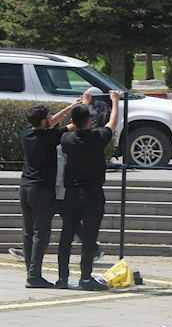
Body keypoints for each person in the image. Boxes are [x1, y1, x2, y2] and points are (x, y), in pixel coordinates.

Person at [57, 89, 121, 291]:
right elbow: (112, 122)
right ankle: (85, 277)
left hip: (71, 193)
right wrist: (115, 101)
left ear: (73, 122)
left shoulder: (67, 140)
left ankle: (62, 278)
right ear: (90, 121)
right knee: (89, 236)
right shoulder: (98, 137)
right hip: (93, 193)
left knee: (66, 236)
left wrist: (83, 103)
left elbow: (67, 128)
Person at [18, 98, 83, 287]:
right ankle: (34, 276)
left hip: (25, 187)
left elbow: (51, 123)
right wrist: (83, 106)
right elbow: (76, 125)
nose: (52, 117)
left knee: (28, 232)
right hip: (41, 190)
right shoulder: (50, 137)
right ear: (43, 121)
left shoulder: (27, 133)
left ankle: (30, 272)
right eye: (49, 116)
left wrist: (69, 108)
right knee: (41, 233)